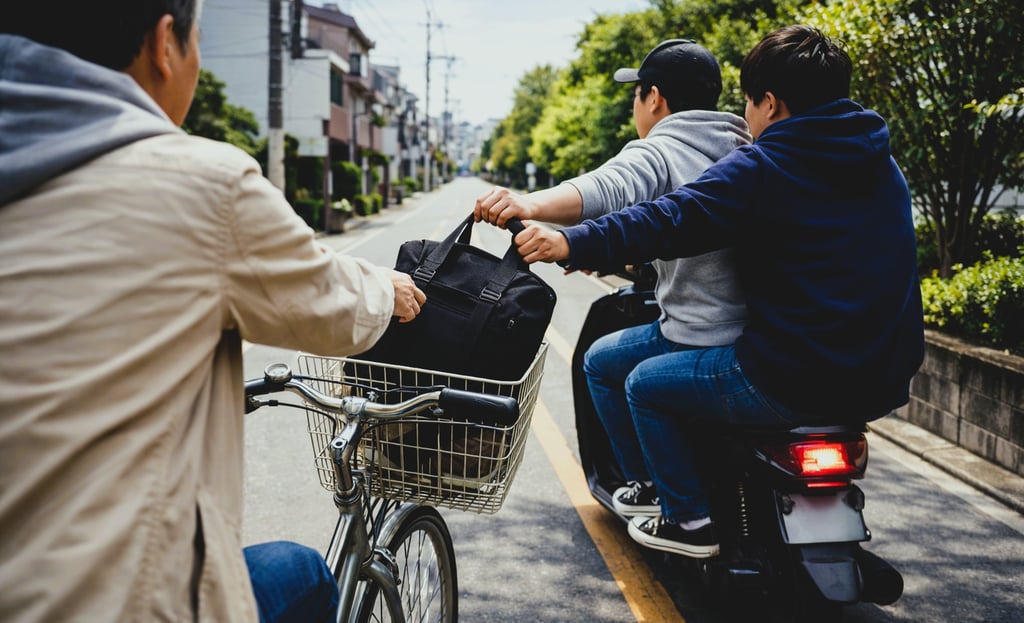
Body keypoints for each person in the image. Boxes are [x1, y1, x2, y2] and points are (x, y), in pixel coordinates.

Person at [0, 2, 426, 622]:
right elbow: (325, 300)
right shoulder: (202, 183)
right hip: (108, 602)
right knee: (302, 573)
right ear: (163, 42)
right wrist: (390, 291)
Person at [512, 25, 925, 558]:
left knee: (643, 384)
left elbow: (671, 218)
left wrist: (572, 244)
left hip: (790, 377)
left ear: (771, 104)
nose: (747, 120)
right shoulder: (880, 163)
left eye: (751, 105)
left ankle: (687, 519)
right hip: (881, 379)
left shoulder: (767, 163)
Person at [475, 40, 751, 523]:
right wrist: (602, 251)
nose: (635, 106)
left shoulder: (663, 149)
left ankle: (648, 487)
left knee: (602, 363)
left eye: (637, 94)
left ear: (656, 99)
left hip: (698, 336)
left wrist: (528, 205)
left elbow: (608, 187)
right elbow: (674, 232)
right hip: (759, 337)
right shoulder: (744, 147)